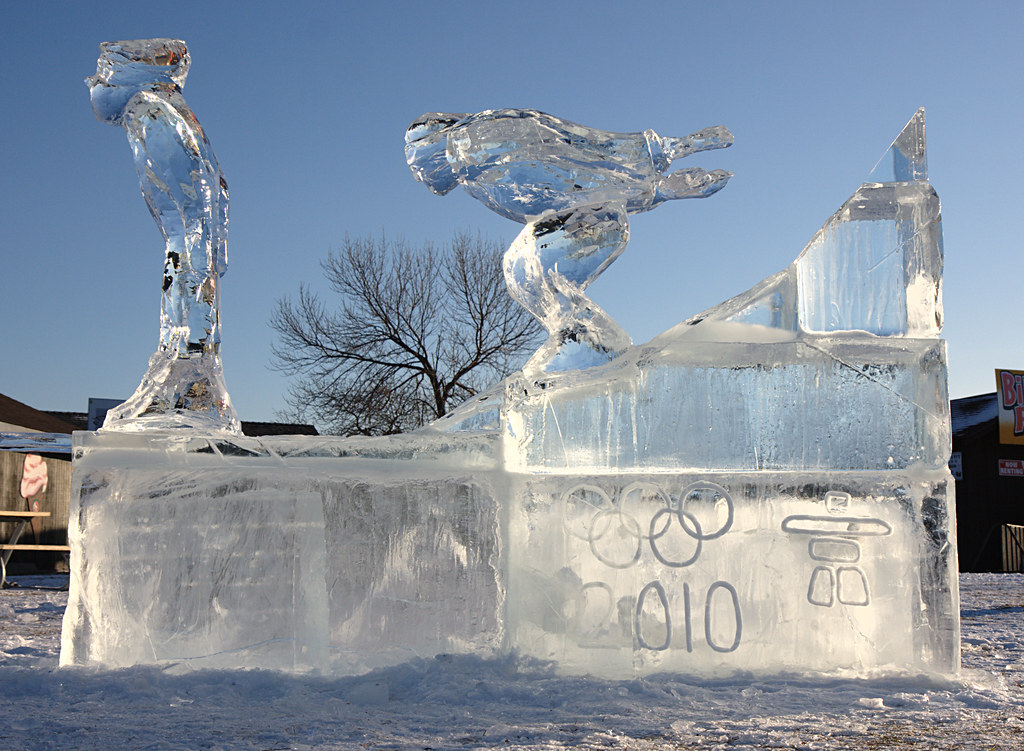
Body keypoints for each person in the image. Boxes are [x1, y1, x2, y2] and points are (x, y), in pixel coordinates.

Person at [88, 39, 238, 432]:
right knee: (183, 269)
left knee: (184, 272)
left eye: (103, 72)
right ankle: (184, 374)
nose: (93, 83)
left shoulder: (151, 112)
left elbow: (194, 204)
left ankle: (188, 383)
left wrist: (201, 251)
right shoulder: (163, 112)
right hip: (190, 246)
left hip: (188, 248)